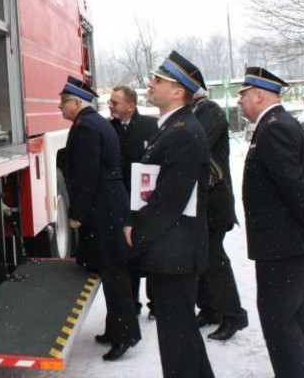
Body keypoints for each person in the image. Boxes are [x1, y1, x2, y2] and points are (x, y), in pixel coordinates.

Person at [237, 67, 304, 378]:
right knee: (291, 321)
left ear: (259, 95)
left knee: (279, 323)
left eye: (243, 95)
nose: (239, 101)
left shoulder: (274, 127)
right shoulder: (276, 124)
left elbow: (295, 184)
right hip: (289, 241)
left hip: (283, 244)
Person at [125, 51, 214, 378]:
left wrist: (137, 231)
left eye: (158, 80)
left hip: (174, 249)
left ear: (178, 91)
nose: (151, 84)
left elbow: (169, 201)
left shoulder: (182, 132)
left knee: (177, 339)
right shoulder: (174, 127)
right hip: (171, 247)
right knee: (182, 334)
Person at [59, 76, 141, 362]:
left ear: (76, 102)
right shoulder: (97, 123)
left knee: (114, 274)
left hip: (103, 209)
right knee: (113, 273)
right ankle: (114, 330)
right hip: (110, 204)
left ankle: (125, 336)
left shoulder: (85, 128)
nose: (60, 108)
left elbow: (86, 175)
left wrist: (77, 214)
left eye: (63, 102)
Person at [190, 89, 249, 340]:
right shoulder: (194, 113)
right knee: (201, 258)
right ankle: (210, 309)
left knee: (214, 260)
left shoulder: (209, 111)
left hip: (214, 203)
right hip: (201, 203)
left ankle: (233, 315)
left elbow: (195, 145)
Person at [109, 86, 158, 319]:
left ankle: (156, 303)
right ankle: (133, 302)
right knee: (129, 256)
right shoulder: (110, 128)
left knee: (150, 254)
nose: (111, 106)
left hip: (145, 200)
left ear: (131, 105)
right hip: (122, 199)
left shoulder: (150, 126)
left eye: (115, 102)